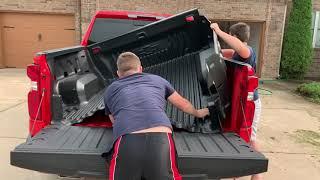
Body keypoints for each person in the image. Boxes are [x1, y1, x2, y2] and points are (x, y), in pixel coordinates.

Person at [104, 52, 209, 180]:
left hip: (127, 140)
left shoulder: (110, 89)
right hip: (160, 138)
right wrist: (198, 113)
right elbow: (182, 103)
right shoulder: (157, 80)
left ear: (118, 73)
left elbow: (113, 121)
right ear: (140, 69)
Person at [210, 22, 262, 180]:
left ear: (234, 36)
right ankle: (237, 175)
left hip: (250, 104)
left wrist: (218, 31)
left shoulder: (248, 51)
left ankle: (257, 175)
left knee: (251, 139)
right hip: (240, 103)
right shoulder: (236, 52)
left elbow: (239, 48)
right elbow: (230, 50)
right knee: (239, 137)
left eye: (230, 37)